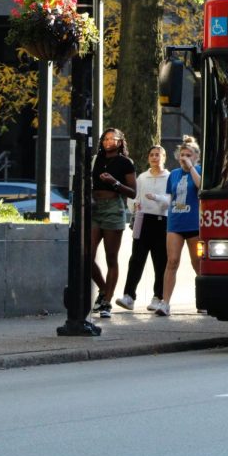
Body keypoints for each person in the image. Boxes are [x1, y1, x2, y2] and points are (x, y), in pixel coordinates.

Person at [115, 144, 170, 313]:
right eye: (152, 155)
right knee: (136, 259)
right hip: (143, 219)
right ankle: (129, 295)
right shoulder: (142, 178)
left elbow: (170, 200)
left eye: (158, 155)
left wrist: (157, 198)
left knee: (160, 261)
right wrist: (134, 206)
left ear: (164, 157)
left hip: (162, 221)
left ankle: (158, 296)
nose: (155, 158)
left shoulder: (169, 177)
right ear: (148, 158)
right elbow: (133, 196)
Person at [90, 128, 137, 318]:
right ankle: (103, 289)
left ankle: (107, 302)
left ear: (120, 142)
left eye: (113, 139)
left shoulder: (125, 163)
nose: (108, 141)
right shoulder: (96, 160)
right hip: (95, 208)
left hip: (113, 208)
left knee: (111, 257)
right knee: (87, 255)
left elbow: (133, 192)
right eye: (105, 138)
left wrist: (114, 182)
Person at [155, 135, 202, 317]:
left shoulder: (198, 170)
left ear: (196, 157)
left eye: (188, 155)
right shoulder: (173, 174)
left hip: (193, 223)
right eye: (182, 154)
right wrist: (158, 200)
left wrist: (191, 168)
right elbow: (170, 196)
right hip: (175, 222)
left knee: (197, 263)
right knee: (172, 261)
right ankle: (165, 303)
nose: (184, 158)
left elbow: (201, 187)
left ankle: (202, 300)